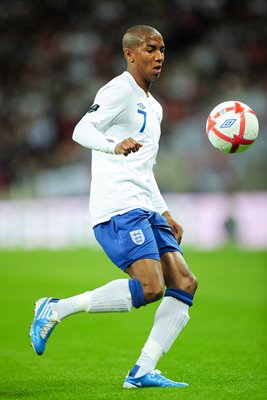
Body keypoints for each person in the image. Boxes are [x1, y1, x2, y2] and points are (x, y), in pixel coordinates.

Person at [30, 25, 198, 389]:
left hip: (145, 205)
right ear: (130, 54)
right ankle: (55, 309)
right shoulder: (118, 90)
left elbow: (146, 168)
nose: (159, 57)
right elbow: (81, 129)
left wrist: (165, 210)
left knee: (184, 282)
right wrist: (112, 145)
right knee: (151, 286)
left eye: (163, 50)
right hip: (118, 206)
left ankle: (142, 371)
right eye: (151, 49)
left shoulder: (155, 107)